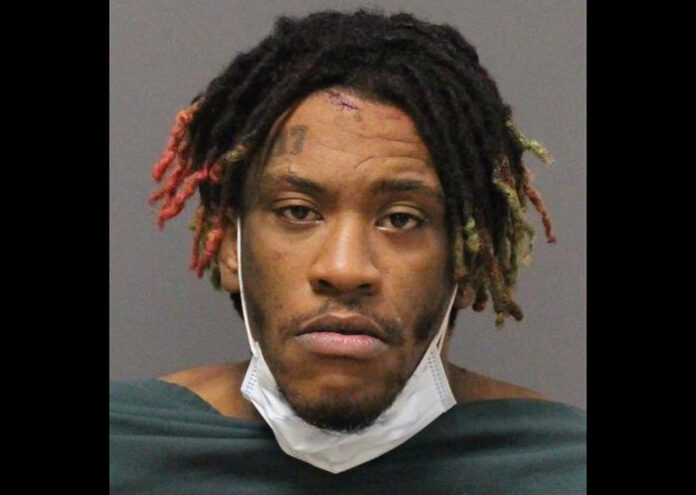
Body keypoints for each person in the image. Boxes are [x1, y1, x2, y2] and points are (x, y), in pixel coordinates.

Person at [110, 9, 586, 493]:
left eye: (401, 219)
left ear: (470, 257)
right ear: (230, 243)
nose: (344, 269)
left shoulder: (564, 473)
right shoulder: (125, 453)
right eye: (298, 211)